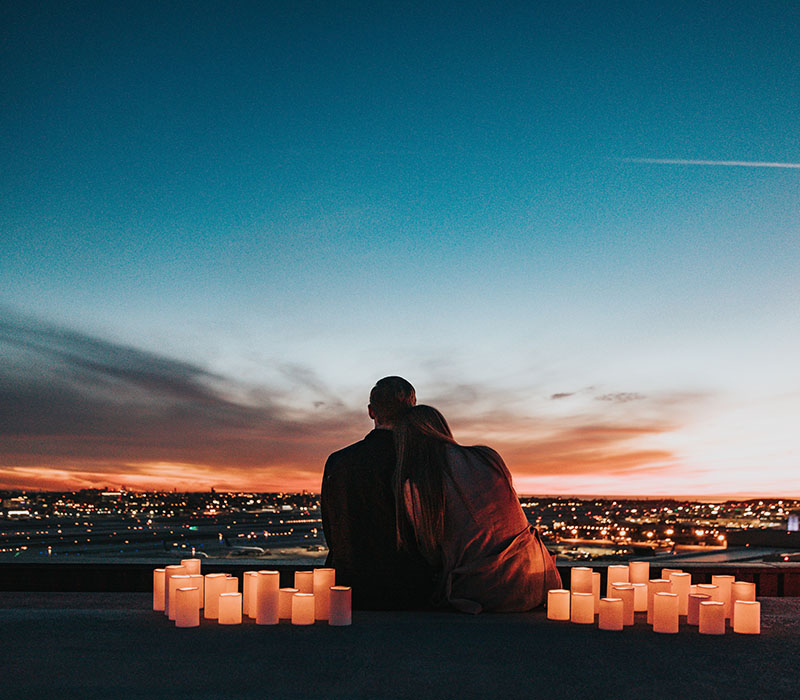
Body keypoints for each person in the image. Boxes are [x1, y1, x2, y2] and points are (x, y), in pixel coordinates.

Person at [394, 405, 562, 613]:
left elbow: (431, 554)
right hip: (540, 580)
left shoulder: (417, 486)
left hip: (485, 592)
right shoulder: (488, 457)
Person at [321, 376, 434, 609]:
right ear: (412, 410)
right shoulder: (422, 461)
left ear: (371, 412)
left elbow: (332, 532)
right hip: (410, 591)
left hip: (349, 589)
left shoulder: (338, 462)